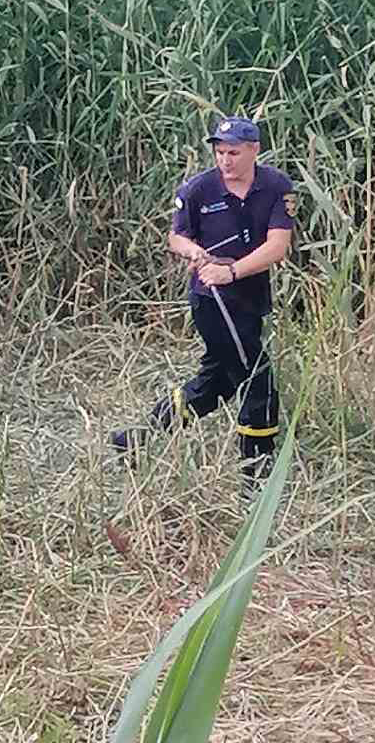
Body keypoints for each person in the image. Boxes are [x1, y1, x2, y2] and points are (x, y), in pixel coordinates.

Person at [109, 116, 296, 485]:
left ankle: (135, 439)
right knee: (259, 381)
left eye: (234, 152)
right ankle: (256, 476)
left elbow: (277, 246)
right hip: (212, 301)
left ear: (254, 150)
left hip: (250, 294)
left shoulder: (276, 186)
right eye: (220, 152)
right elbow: (176, 237)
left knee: (216, 384)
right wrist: (193, 252)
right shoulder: (198, 189)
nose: (225, 160)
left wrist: (232, 271)